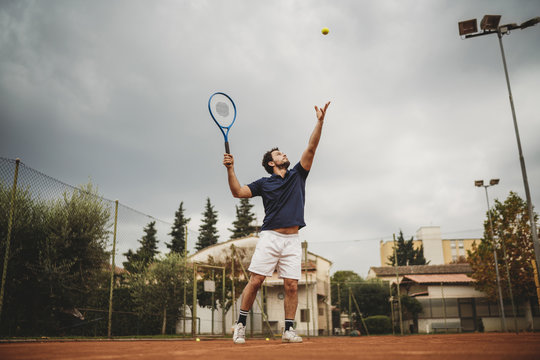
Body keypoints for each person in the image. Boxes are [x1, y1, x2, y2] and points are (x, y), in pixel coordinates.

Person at [223, 101, 330, 344]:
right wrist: (231, 169)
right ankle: (240, 325)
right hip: (270, 237)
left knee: (292, 285)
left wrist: (320, 122)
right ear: (272, 163)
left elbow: (311, 147)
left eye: (282, 153)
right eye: (278, 154)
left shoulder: (298, 174)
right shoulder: (264, 183)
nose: (284, 154)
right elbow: (238, 192)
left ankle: (288, 329)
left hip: (292, 239)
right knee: (256, 280)